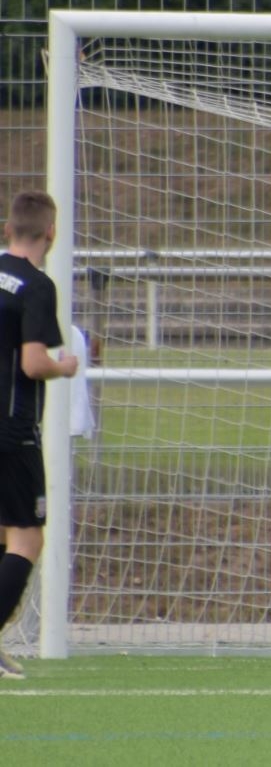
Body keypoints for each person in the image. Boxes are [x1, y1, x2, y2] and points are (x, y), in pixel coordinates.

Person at [0, 191, 80, 681]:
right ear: (50, 232)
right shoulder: (35, 285)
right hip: (11, 431)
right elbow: (33, 362)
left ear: (7, 228)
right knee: (27, 538)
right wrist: (64, 366)